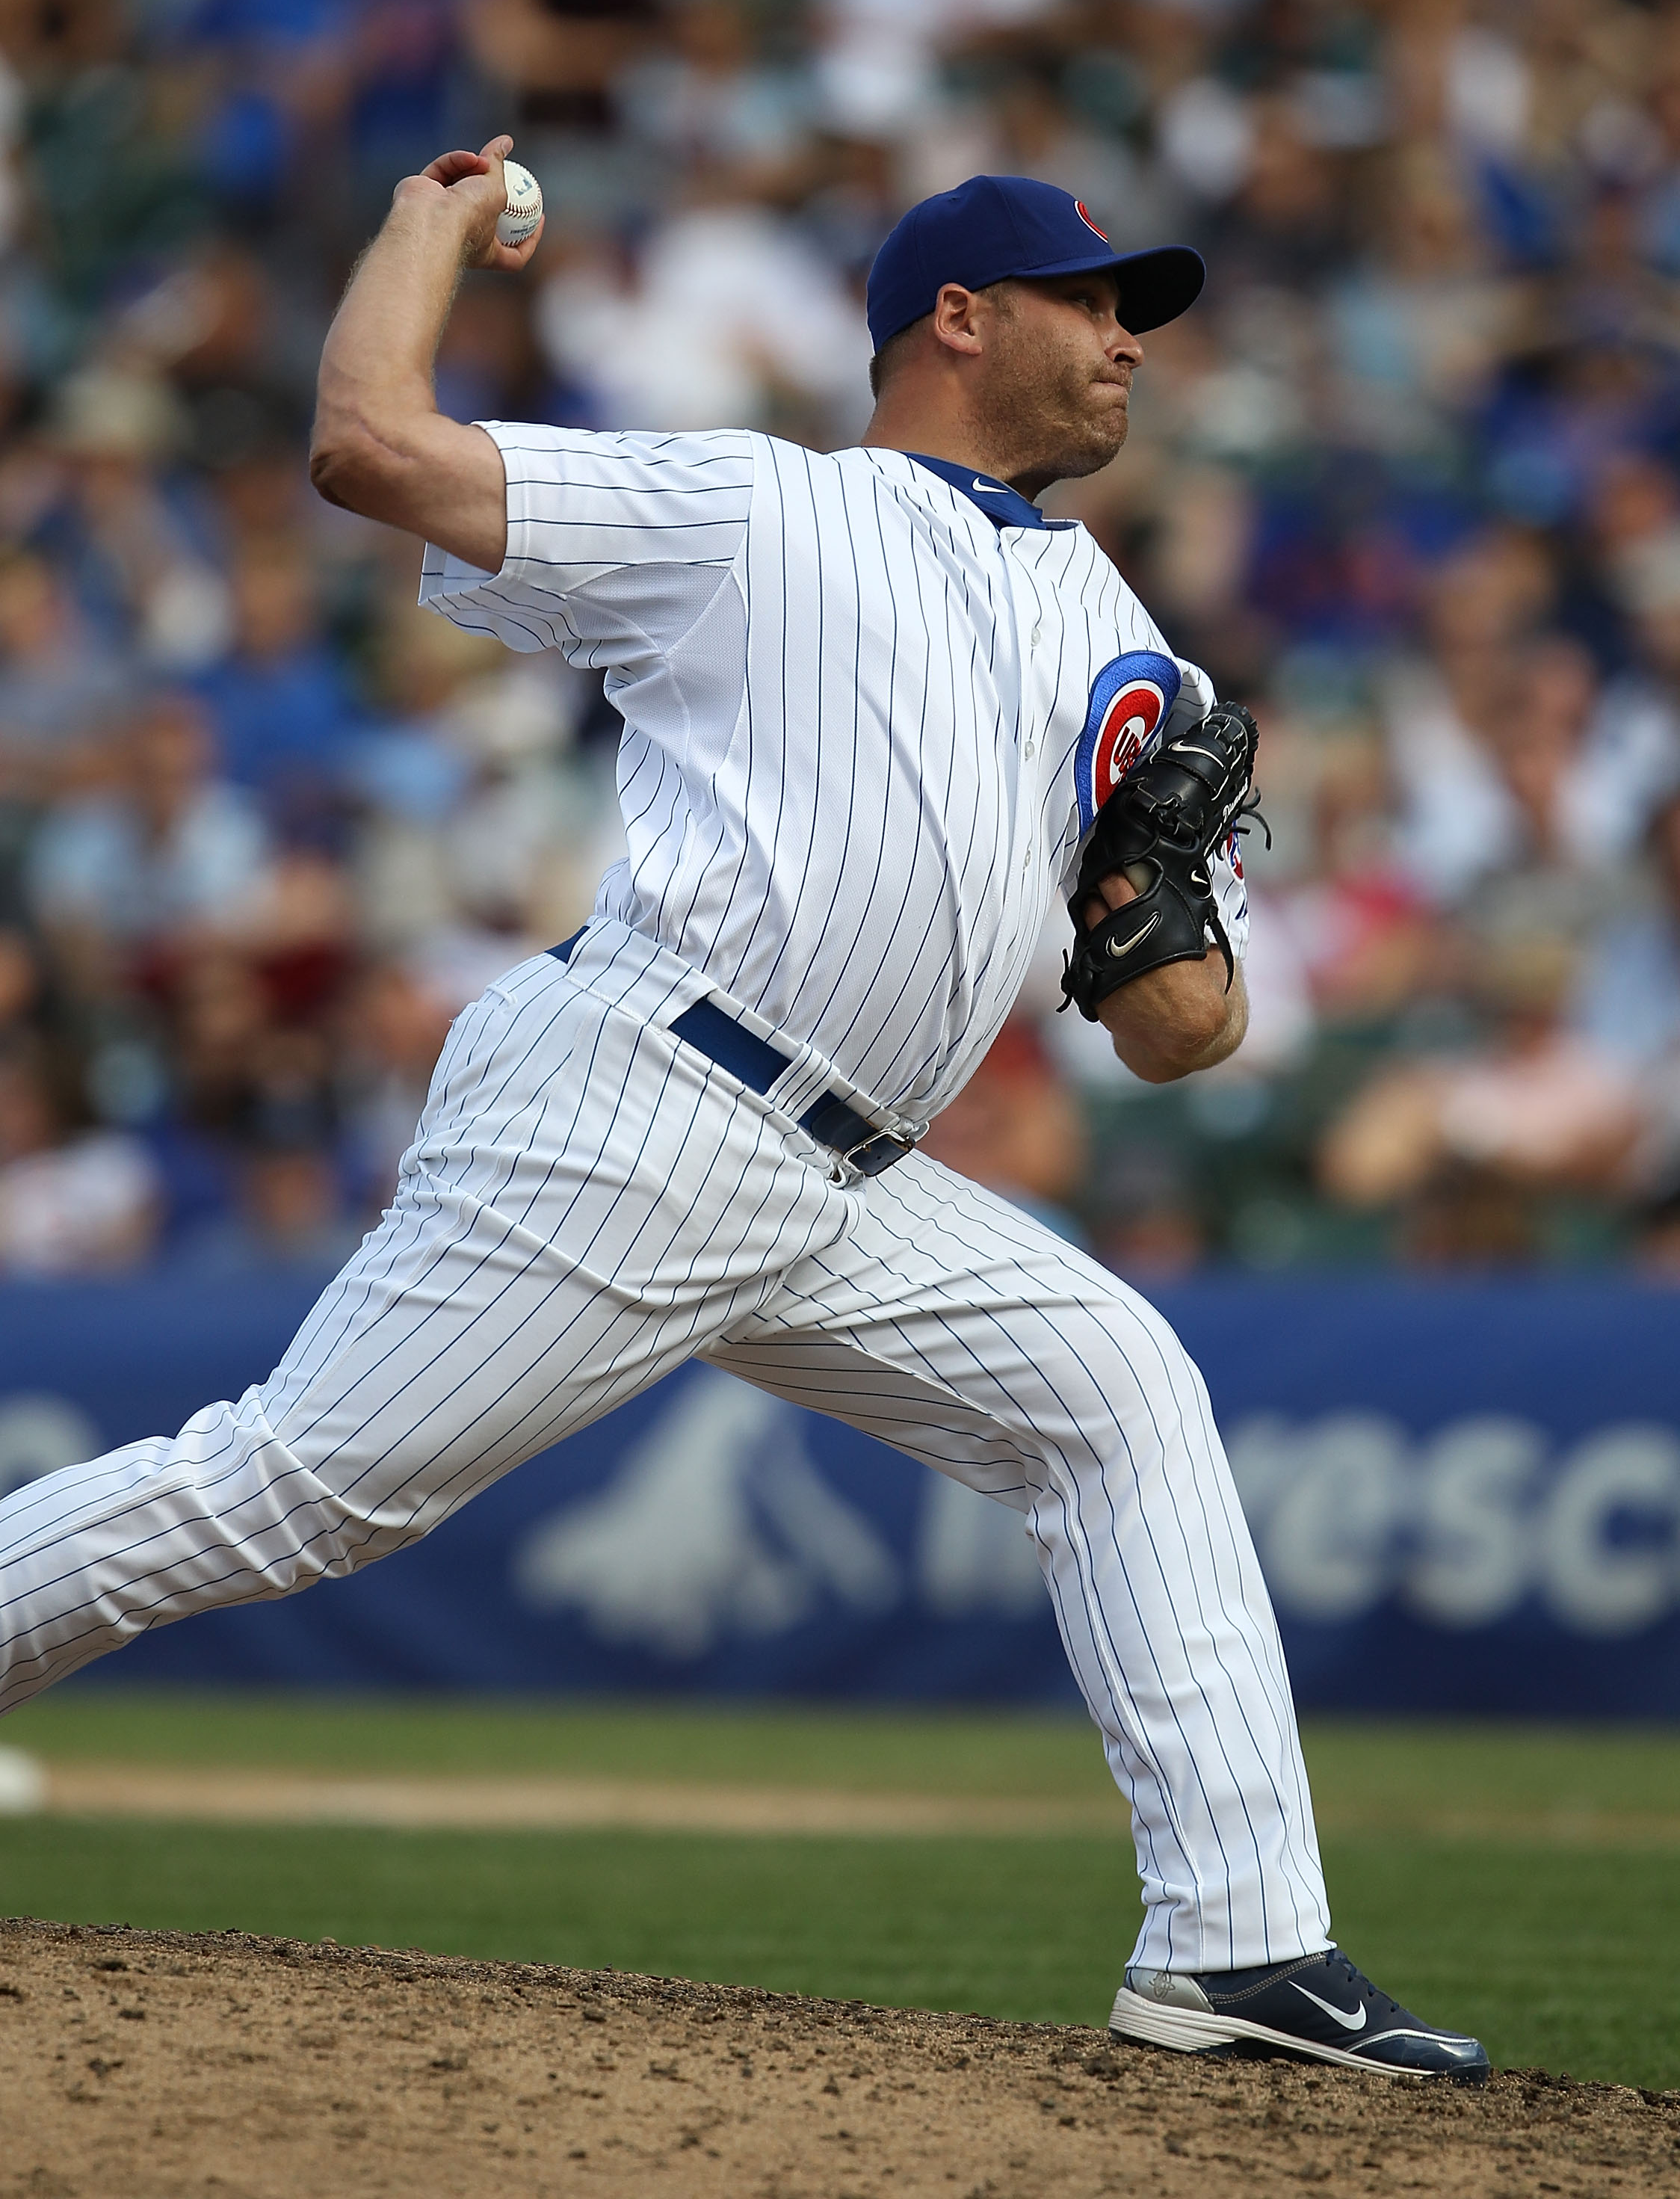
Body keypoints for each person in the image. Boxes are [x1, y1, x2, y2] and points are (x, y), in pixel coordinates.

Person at [0, 143, 1487, 2082]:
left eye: (1141, 311)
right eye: (1097, 299)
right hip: (646, 1099)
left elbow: (1182, 1037)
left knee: (1120, 1398)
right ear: (960, 316)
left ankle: (1237, 1947)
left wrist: (1147, 894)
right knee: (289, 1493)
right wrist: (418, 227)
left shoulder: (1120, 622)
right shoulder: (756, 508)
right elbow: (369, 445)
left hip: (854, 1178)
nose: (1132, 341)